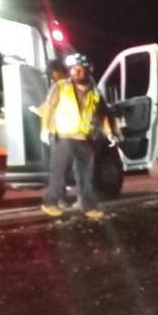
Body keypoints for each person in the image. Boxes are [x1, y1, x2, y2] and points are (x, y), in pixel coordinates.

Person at [39, 55, 118, 219]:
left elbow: (102, 115)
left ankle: (88, 206)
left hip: (85, 138)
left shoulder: (96, 93)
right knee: (58, 172)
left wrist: (109, 132)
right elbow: (49, 108)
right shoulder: (61, 87)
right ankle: (50, 203)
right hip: (63, 137)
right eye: (73, 68)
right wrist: (45, 129)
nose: (76, 71)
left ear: (89, 69)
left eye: (80, 68)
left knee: (86, 175)